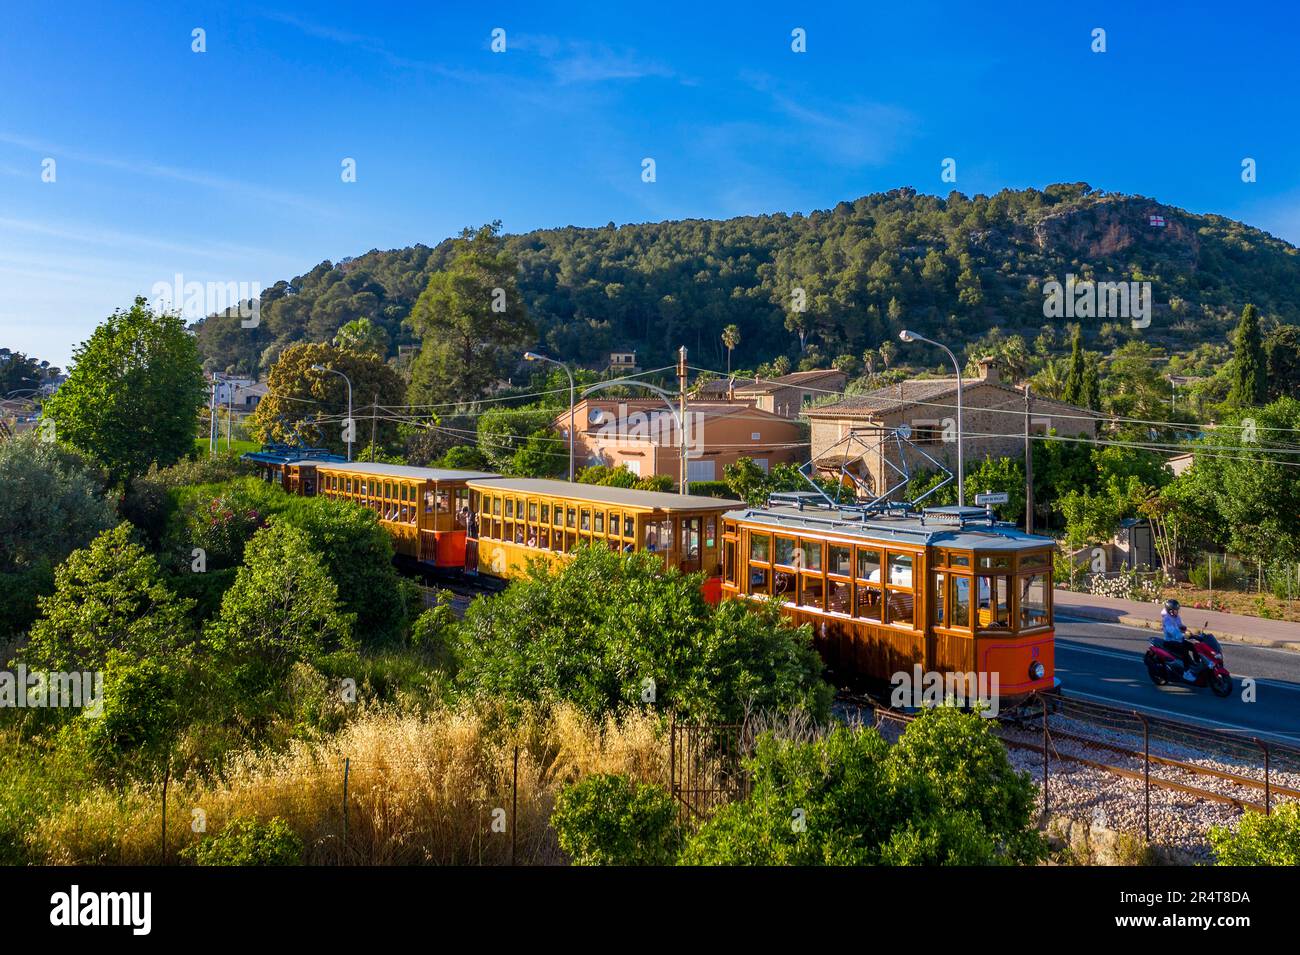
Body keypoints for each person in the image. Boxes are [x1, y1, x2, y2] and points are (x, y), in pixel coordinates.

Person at [1161, 598, 1198, 681]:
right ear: (1170, 610)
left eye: (1177, 610)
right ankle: (1186, 673)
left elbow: (1179, 625)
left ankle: (1197, 664)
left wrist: (1183, 628)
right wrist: (1182, 635)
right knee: (1184, 652)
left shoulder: (1176, 617)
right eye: (1175, 610)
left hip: (1178, 640)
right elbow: (1172, 631)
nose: (1177, 612)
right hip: (1170, 641)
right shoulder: (1166, 619)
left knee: (1195, 646)